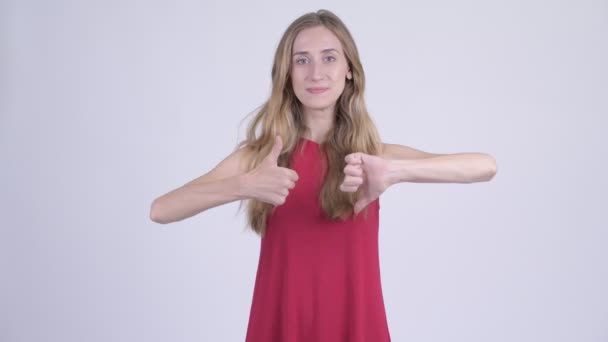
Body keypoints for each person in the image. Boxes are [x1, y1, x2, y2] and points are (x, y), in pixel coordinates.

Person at [150, 9, 497, 342]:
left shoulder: (372, 156)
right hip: (280, 326)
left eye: (329, 57)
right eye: (302, 60)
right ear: (287, 72)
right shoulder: (259, 158)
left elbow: (484, 167)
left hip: (358, 327)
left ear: (349, 69)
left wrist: (395, 171)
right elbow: (161, 210)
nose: (315, 72)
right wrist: (243, 185)